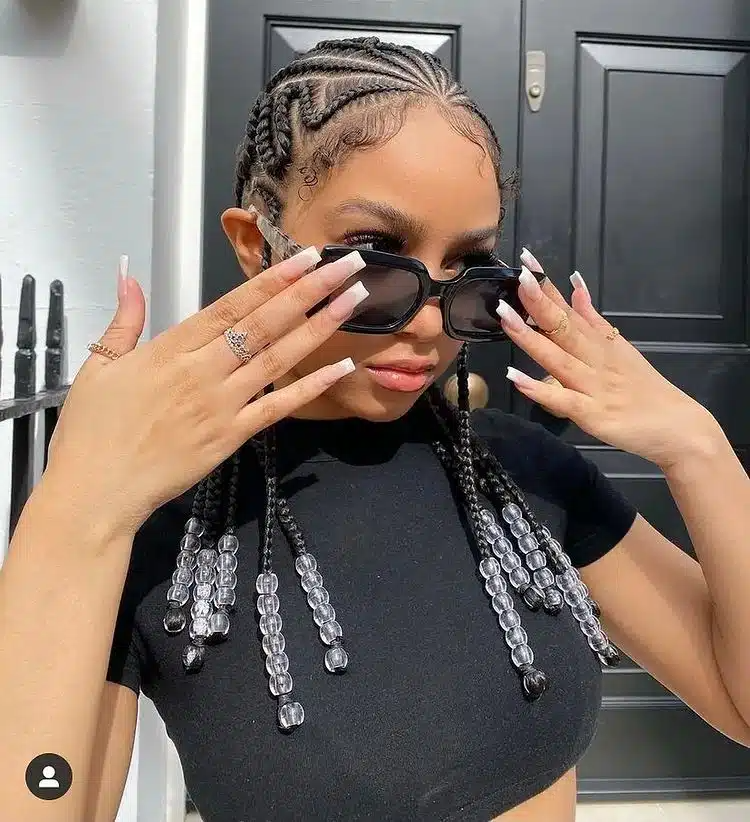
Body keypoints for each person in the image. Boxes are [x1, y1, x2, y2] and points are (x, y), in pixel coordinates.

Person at [1, 36, 749, 822]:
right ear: (256, 245)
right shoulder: (166, 524)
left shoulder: (524, 478)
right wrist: (73, 512)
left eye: (469, 274)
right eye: (374, 262)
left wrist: (696, 444)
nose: (429, 324)